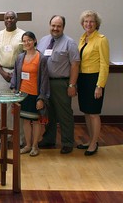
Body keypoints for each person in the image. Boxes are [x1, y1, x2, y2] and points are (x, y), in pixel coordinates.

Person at [37, 15, 80, 154]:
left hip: (61, 83)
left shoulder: (70, 43)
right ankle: (49, 138)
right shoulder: (43, 41)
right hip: (45, 83)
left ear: (63, 27)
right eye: (53, 25)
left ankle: (67, 142)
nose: (55, 28)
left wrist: (72, 85)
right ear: (49, 25)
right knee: (48, 113)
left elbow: (75, 65)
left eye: (58, 26)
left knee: (64, 113)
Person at [10, 31, 50, 156]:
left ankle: (35, 146)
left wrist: (41, 98)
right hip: (23, 94)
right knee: (26, 121)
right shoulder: (20, 57)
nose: (26, 43)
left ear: (34, 41)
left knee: (36, 121)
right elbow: (16, 75)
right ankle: (27, 145)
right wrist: (14, 91)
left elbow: (44, 79)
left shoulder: (41, 58)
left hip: (35, 95)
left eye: (29, 40)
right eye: (24, 41)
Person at [76, 10, 109, 156]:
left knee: (94, 113)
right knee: (86, 112)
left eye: (91, 21)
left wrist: (99, 85)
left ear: (97, 24)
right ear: (82, 24)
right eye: (86, 21)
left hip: (94, 79)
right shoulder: (83, 38)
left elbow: (104, 64)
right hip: (83, 79)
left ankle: (94, 143)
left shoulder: (101, 39)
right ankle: (90, 140)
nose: (88, 24)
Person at [0, 11, 25, 144]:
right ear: (3, 20)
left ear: (16, 20)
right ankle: (5, 134)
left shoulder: (22, 34)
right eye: (7, 18)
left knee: (17, 104)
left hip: (20, 72)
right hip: (2, 72)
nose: (9, 20)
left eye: (12, 18)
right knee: (3, 104)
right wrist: (3, 73)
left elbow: (25, 54)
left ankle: (20, 137)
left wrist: (16, 73)